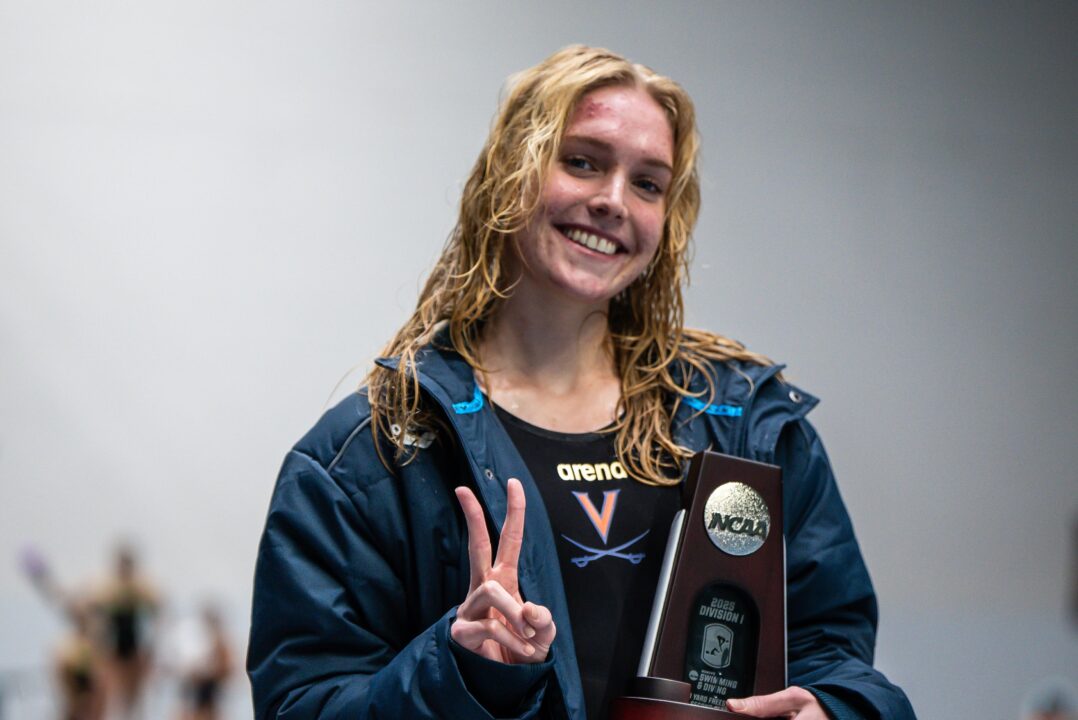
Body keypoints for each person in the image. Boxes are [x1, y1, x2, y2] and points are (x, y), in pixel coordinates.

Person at [248, 45, 916, 720]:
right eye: (582, 162)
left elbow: (832, 651)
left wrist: (832, 710)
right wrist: (462, 672)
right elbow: (305, 701)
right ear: (509, 173)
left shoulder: (747, 426)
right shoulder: (372, 457)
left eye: (648, 184)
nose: (612, 202)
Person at [94, 544, 160, 719]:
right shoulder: (107, 590)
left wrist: (150, 651)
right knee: (113, 699)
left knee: (134, 702)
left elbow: (156, 617)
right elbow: (98, 618)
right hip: (114, 652)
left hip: (135, 652)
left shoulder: (142, 590)